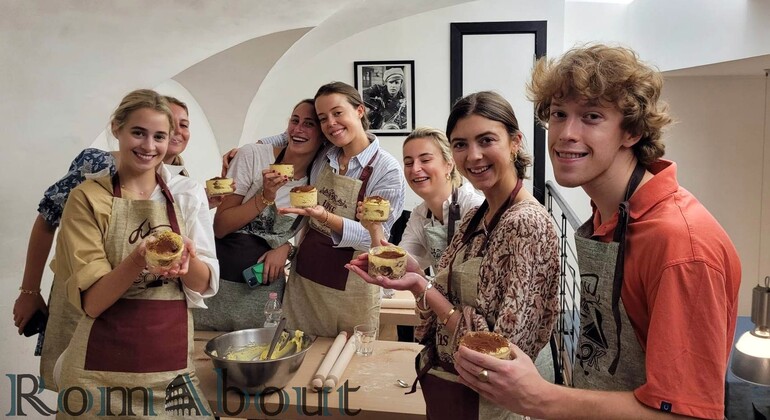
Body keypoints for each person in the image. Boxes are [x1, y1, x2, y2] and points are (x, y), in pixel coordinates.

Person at [454, 45, 741, 420]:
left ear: (632, 132)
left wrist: (540, 397)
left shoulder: (680, 245)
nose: (566, 134)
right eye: (559, 114)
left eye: (591, 116)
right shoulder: (607, 215)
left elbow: (688, 414)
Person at [347, 91, 560, 419]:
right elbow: (448, 289)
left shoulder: (522, 222)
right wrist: (414, 271)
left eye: (486, 140)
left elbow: (498, 351)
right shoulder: (483, 215)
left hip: (501, 402)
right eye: (461, 144)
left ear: (515, 142)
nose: (473, 156)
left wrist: (422, 288)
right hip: (464, 388)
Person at [54, 89, 218, 417]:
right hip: (98, 379)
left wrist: (188, 260)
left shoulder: (186, 198)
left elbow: (204, 285)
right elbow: (94, 302)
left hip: (171, 374)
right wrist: (140, 257)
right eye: (138, 133)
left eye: (159, 136)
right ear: (117, 128)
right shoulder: (88, 198)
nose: (148, 146)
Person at [19, 95, 195, 390]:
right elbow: (47, 219)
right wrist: (29, 290)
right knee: (81, 375)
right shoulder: (96, 164)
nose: (172, 134)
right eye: (140, 131)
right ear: (119, 128)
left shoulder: (180, 183)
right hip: (84, 293)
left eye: (178, 127)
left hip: (142, 320)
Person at [279, 81, 406, 338]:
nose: (331, 124)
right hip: (305, 281)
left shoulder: (387, 170)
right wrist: (254, 146)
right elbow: (290, 135)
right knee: (297, 354)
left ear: (360, 110)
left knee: (349, 369)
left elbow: (377, 241)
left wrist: (325, 216)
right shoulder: (325, 153)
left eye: (338, 113)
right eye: (323, 118)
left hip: (353, 287)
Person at [193, 99, 325, 330]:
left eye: (309, 124)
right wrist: (265, 195)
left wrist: (286, 248)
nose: (298, 129)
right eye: (295, 121)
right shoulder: (253, 156)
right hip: (218, 282)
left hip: (263, 290)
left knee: (258, 353)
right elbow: (221, 226)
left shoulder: (316, 181)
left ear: (323, 135)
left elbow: (307, 238)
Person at [361, 126, 483, 271]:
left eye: (425, 160)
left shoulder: (476, 208)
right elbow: (397, 268)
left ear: (449, 165)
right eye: (408, 163)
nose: (415, 169)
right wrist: (374, 228)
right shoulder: (420, 215)